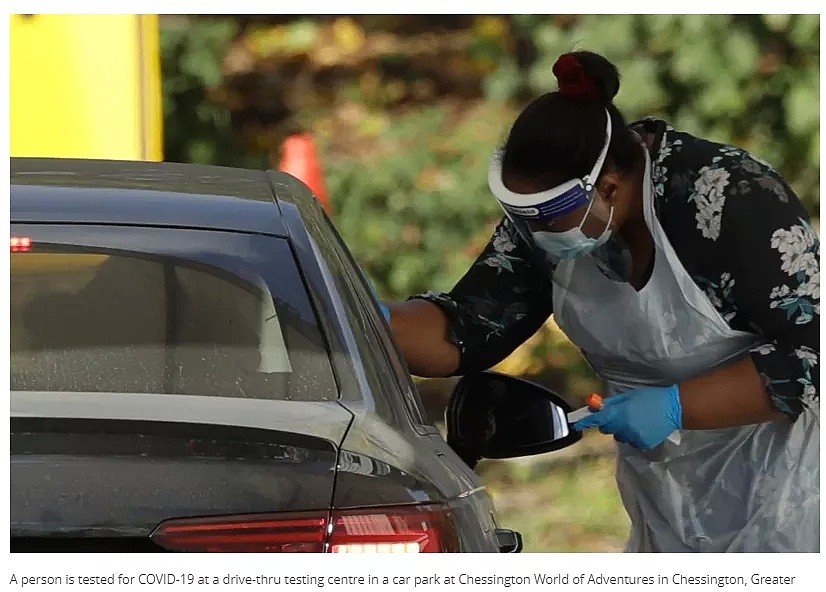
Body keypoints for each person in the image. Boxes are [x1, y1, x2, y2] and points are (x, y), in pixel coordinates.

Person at [379, 51, 819, 552]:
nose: (535, 234)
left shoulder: (728, 197)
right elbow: (472, 327)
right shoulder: (546, 224)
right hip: (666, 501)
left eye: (548, 218)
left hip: (787, 495)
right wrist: (367, 322)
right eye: (524, 219)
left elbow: (811, 352)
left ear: (607, 187)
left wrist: (677, 406)